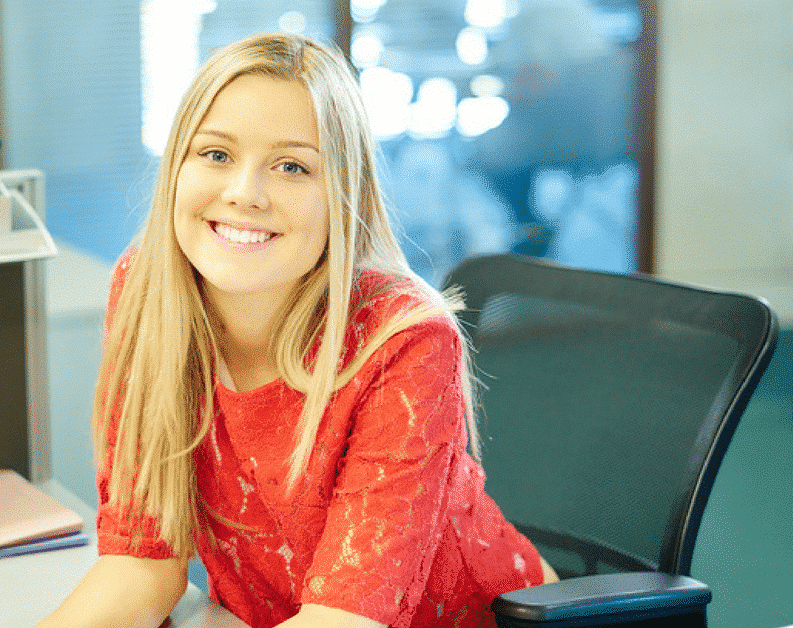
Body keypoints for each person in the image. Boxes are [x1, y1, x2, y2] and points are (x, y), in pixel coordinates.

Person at [36, 33, 557, 628]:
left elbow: (344, 620)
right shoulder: (147, 291)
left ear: (342, 194)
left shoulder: (403, 341)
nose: (244, 194)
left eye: (292, 166)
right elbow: (143, 564)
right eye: (215, 155)